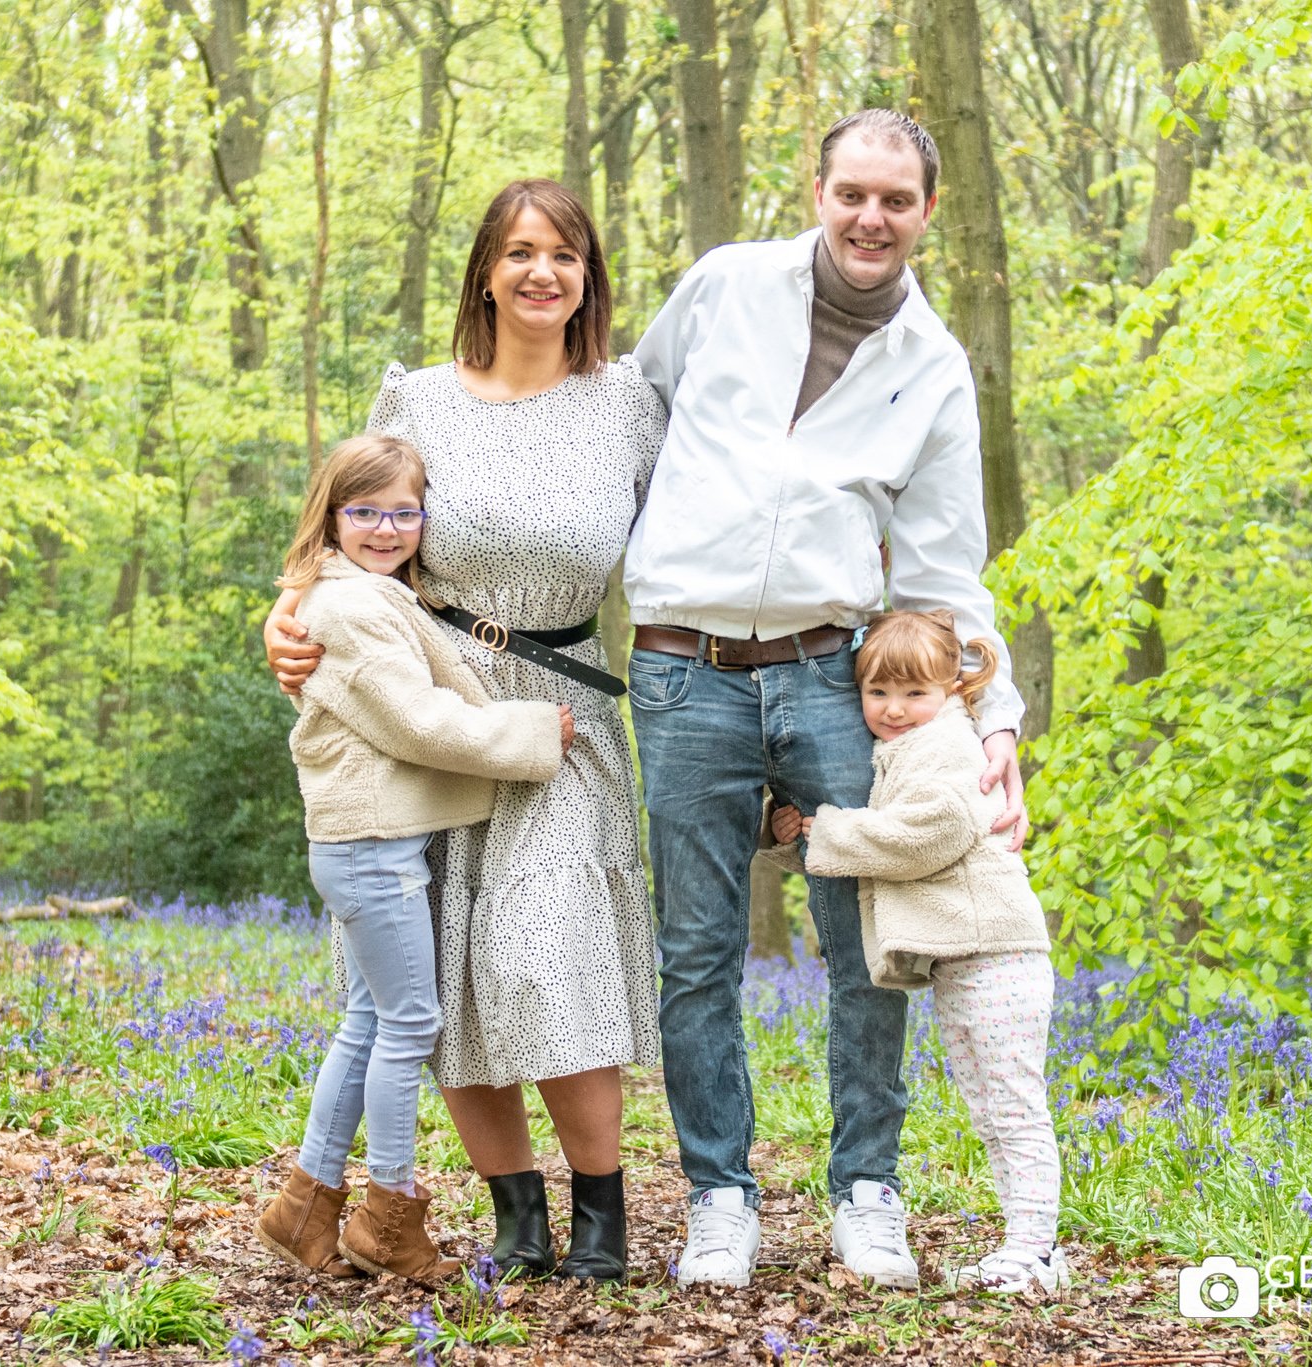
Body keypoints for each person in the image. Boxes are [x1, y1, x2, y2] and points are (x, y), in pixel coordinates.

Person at [626, 107, 1030, 1290]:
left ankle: (867, 1187)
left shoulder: (935, 365)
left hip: (829, 672)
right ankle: (717, 1195)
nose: (870, 217)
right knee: (696, 949)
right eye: (852, 192)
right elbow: (631, 429)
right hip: (677, 662)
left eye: (894, 200)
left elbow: (947, 571)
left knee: (867, 938)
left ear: (925, 214)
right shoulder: (721, 288)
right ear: (817, 190)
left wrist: (991, 716)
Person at [263, 179, 665, 1283]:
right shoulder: (419, 399)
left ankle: (601, 1218)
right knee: (441, 973)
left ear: (589, 277)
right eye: (521, 252)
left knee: (547, 955)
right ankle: (513, 1221)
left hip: (563, 706)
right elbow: (345, 526)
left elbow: (691, 544)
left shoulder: (628, 403)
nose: (543, 274)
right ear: (484, 270)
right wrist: (283, 614)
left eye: (565, 256)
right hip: (423, 697)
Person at [255, 433, 574, 1282]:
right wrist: (536, 731)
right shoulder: (353, 608)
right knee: (408, 1026)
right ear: (332, 516)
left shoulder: (361, 593)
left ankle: (305, 1204)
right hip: (370, 848)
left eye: (404, 511)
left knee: (367, 1022)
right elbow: (421, 721)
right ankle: (389, 1216)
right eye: (366, 512)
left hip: (367, 843)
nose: (388, 528)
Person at [766, 611, 1065, 1295]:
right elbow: (874, 846)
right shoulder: (904, 749)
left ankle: (1036, 1251)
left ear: (952, 691)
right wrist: (796, 837)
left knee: (1014, 1105)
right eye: (877, 693)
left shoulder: (950, 744)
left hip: (999, 949)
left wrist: (830, 828)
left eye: (913, 693)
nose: (894, 709)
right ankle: (1026, 1245)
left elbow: (928, 834)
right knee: (991, 1106)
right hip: (966, 957)